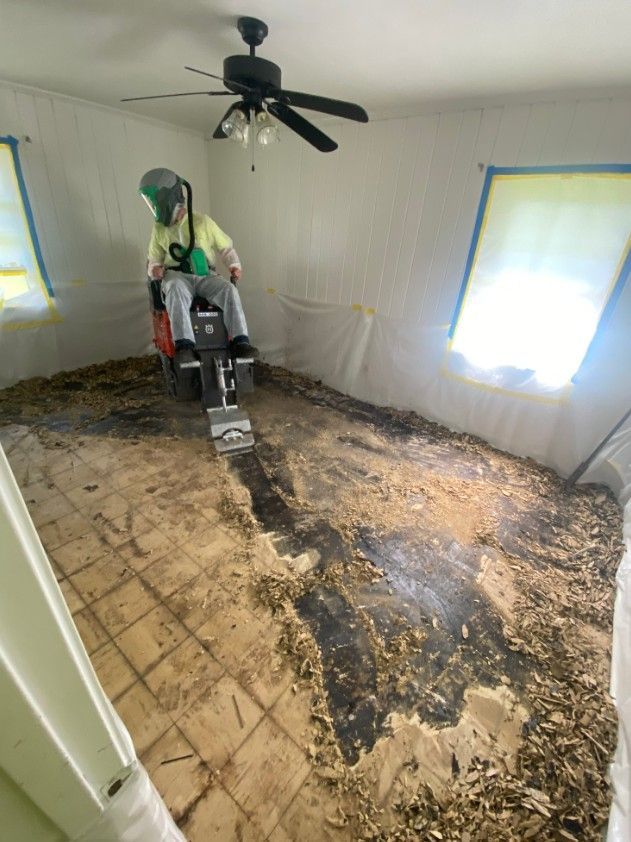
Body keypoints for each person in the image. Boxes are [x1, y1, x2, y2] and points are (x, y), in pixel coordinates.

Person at [139, 168, 258, 364]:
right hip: (178, 276)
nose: (154, 206)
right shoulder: (159, 229)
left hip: (205, 275)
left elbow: (225, 247)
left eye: (154, 201)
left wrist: (234, 265)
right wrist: (155, 270)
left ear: (166, 198)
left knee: (228, 290)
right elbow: (154, 259)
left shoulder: (202, 222)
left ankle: (240, 342)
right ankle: (185, 346)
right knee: (174, 287)